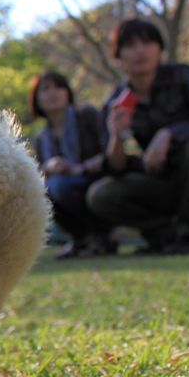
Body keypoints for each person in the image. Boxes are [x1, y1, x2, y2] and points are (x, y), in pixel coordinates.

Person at [86, 19, 189, 254]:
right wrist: (117, 136)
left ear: (159, 48)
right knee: (101, 194)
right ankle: (165, 237)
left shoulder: (182, 76)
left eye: (147, 42)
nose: (140, 50)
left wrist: (169, 133)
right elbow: (115, 168)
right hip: (159, 182)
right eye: (130, 45)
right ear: (118, 56)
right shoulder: (115, 102)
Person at [29, 70, 112, 259]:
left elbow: (108, 152)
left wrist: (78, 168)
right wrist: (50, 168)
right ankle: (82, 238)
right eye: (45, 89)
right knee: (41, 189)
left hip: (95, 180)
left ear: (68, 92)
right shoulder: (41, 137)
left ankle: (103, 235)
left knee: (57, 186)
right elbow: (38, 172)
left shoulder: (87, 115)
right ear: (36, 99)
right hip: (62, 188)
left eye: (59, 87)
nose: (53, 93)